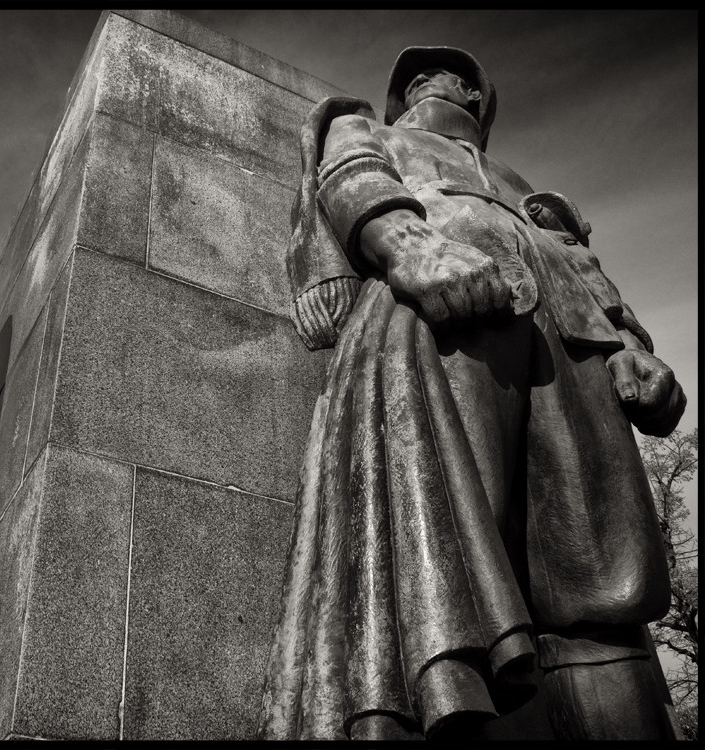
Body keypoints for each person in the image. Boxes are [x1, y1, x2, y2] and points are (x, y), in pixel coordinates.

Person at [259, 47, 686, 741]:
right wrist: (405, 243)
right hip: (453, 302)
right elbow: (352, 176)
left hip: (575, 345)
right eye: (422, 74)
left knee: (602, 583)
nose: (439, 81)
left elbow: (585, 266)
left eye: (459, 75)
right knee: (451, 551)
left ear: (481, 100)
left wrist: (634, 346)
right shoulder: (370, 129)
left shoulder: (529, 189)